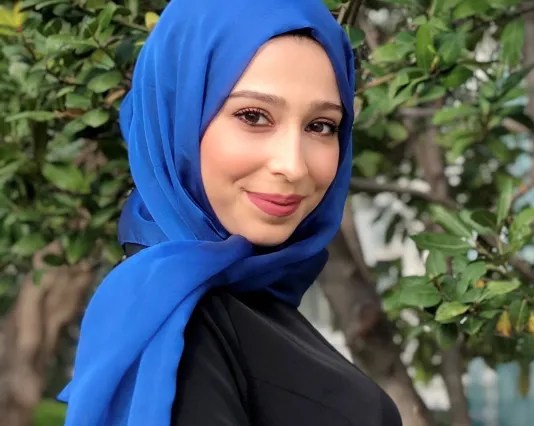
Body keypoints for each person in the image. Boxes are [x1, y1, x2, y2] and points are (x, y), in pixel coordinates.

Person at [58, 0, 402, 425]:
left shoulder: (244, 299)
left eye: (321, 126)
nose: (293, 166)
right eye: (253, 116)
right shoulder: (180, 321)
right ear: (179, 121)